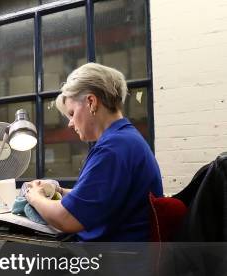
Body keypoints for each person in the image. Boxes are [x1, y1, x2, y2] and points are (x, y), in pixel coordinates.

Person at [26, 63, 163, 241]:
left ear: (91, 102)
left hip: (114, 260)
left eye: (72, 113)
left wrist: (34, 197)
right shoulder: (125, 140)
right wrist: (57, 190)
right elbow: (96, 197)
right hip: (125, 254)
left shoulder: (113, 148)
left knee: (11, 252)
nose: (70, 123)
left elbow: (66, 219)